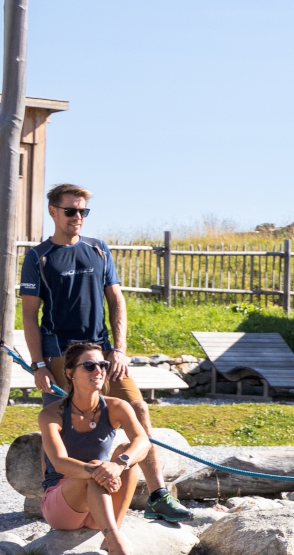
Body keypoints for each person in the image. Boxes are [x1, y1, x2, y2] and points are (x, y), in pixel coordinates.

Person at [19, 182, 192, 525]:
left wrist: (120, 349)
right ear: (53, 211)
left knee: (138, 409)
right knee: (59, 419)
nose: (78, 217)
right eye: (71, 210)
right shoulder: (38, 257)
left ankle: (158, 494)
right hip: (61, 355)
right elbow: (28, 316)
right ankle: (55, 496)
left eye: (83, 211)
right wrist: (38, 364)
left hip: (103, 353)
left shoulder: (98, 250)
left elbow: (117, 301)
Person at [38, 340, 148, 555]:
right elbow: (58, 462)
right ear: (70, 373)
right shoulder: (52, 414)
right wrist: (99, 471)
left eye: (103, 365)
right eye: (89, 366)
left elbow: (143, 441)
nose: (98, 371)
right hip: (62, 505)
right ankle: (116, 543)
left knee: (128, 452)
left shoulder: (117, 406)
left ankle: (111, 533)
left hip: (98, 504)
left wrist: (118, 465)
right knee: (96, 470)